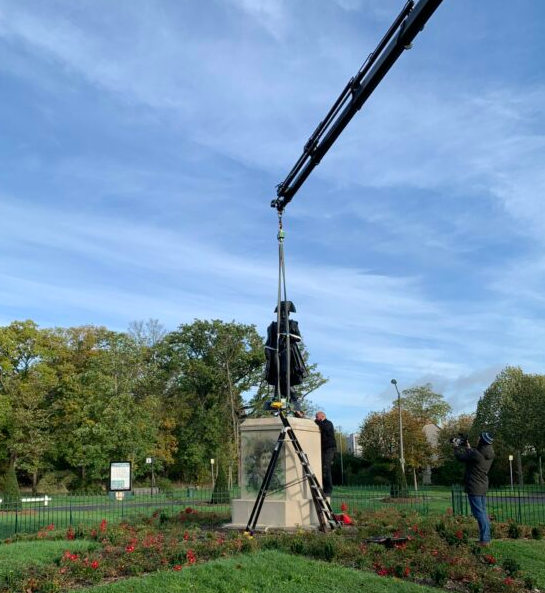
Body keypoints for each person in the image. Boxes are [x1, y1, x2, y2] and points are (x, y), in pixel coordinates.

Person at [264, 301, 307, 412]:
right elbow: (269, 341)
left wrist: (286, 334)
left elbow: (298, 338)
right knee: (276, 375)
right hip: (275, 352)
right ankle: (279, 399)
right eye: (280, 312)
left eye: (285, 312)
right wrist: (267, 351)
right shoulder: (273, 325)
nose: (282, 314)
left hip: (288, 352)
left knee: (285, 375)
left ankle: (294, 400)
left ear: (288, 313)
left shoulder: (292, 324)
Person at [454, 431, 495, 546]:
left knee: (479, 513)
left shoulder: (477, 454)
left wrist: (456, 447)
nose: (477, 439)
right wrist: (468, 447)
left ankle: (485, 540)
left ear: (482, 441)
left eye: (479, 438)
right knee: (482, 512)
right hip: (482, 485)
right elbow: (474, 454)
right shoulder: (488, 452)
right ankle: (485, 538)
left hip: (474, 486)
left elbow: (461, 457)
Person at [315, 411, 336, 498]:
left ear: (322, 416)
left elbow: (324, 428)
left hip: (329, 448)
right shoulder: (320, 423)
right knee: (322, 468)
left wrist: (317, 422)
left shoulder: (328, 423)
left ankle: (328, 490)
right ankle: (323, 488)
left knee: (326, 468)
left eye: (317, 417)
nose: (316, 418)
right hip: (323, 449)